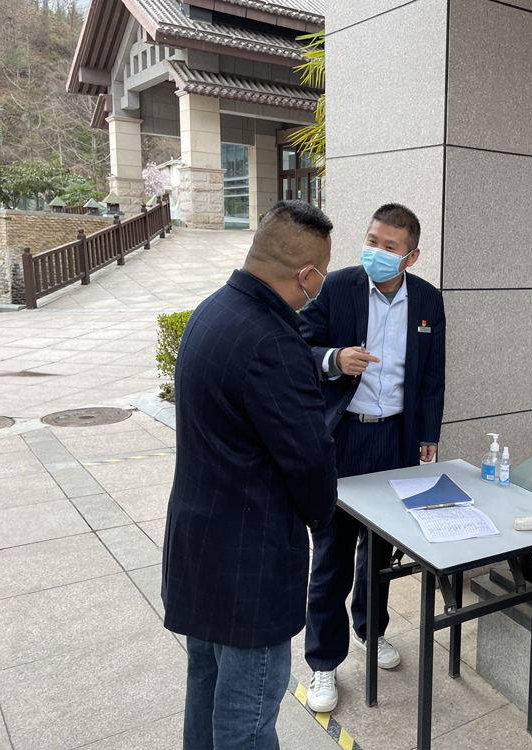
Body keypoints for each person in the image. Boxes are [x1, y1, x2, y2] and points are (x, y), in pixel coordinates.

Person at [161, 201, 339, 750]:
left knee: (205, 690)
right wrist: (321, 518)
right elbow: (310, 460)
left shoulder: (212, 311)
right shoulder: (275, 343)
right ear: (306, 275)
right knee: (247, 720)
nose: (321, 285)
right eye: (322, 274)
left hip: (198, 547)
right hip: (248, 566)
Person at [299, 203, 446, 712]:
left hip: (396, 440)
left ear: (411, 256)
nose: (376, 253)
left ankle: (371, 629)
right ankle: (323, 661)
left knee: (380, 552)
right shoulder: (338, 287)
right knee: (332, 554)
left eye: (389, 247)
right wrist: (333, 360)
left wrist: (428, 435)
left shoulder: (427, 299)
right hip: (343, 438)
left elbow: (431, 375)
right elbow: (295, 345)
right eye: (371, 241)